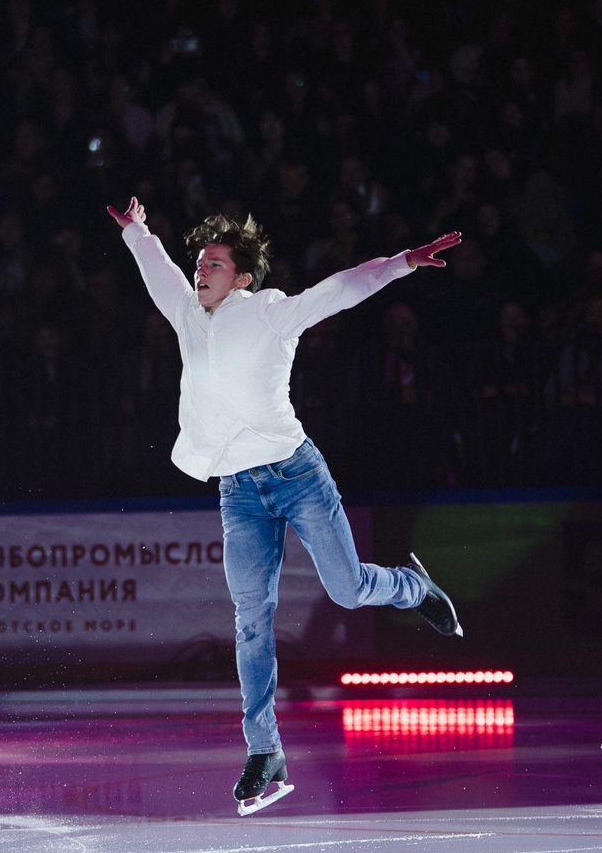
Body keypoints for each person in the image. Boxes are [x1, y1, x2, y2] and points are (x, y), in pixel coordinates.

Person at [106, 196, 466, 814]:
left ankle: (413, 587)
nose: (200, 271)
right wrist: (138, 230)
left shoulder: (271, 312)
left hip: (297, 475)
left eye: (214, 264)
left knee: (348, 590)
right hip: (238, 490)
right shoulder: (188, 313)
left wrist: (403, 262)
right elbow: (158, 269)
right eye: (200, 263)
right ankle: (265, 750)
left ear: (242, 277)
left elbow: (341, 288)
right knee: (251, 618)